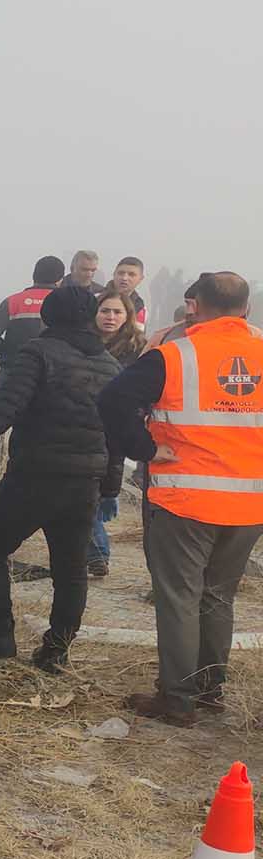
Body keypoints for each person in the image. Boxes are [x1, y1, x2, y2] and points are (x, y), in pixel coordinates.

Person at [99, 272, 263, 727]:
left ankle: (177, 699)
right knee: (218, 597)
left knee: (180, 598)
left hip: (185, 499)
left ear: (196, 306)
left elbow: (112, 401)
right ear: (246, 309)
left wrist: (145, 449)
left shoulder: (173, 355)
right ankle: (211, 689)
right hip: (250, 502)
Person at [0, 288, 123, 671]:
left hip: (34, 476)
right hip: (85, 481)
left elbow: (4, 409)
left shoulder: (37, 353)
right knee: (71, 571)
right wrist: (110, 487)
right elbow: (116, 434)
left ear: (48, 317)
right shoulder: (109, 366)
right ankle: (56, 650)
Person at [89, 289, 148, 577]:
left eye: (116, 312)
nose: (110, 317)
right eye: (105, 311)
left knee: (106, 484)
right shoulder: (85, 343)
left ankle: (97, 551)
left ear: (127, 317)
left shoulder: (138, 348)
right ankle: (96, 552)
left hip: (119, 425)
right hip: (86, 422)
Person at [0, 256, 66, 364]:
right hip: (54, 372)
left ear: (34, 275)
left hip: (15, 370)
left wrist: (8, 353)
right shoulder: (66, 304)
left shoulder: (13, 301)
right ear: (60, 280)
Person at [109, 256, 149, 328]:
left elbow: (138, 336)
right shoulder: (96, 298)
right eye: (121, 273)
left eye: (131, 275)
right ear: (114, 274)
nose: (124, 278)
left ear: (141, 279)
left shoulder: (141, 309)